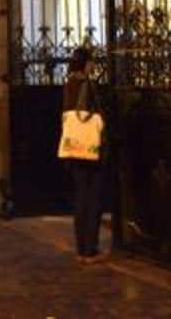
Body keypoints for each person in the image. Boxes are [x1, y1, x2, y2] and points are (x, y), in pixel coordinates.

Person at [63, 47, 105, 263]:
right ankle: (90, 248)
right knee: (93, 196)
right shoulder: (88, 84)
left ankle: (81, 248)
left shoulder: (69, 84)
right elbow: (97, 114)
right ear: (85, 63)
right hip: (89, 148)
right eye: (92, 61)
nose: (94, 65)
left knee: (80, 197)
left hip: (73, 147)